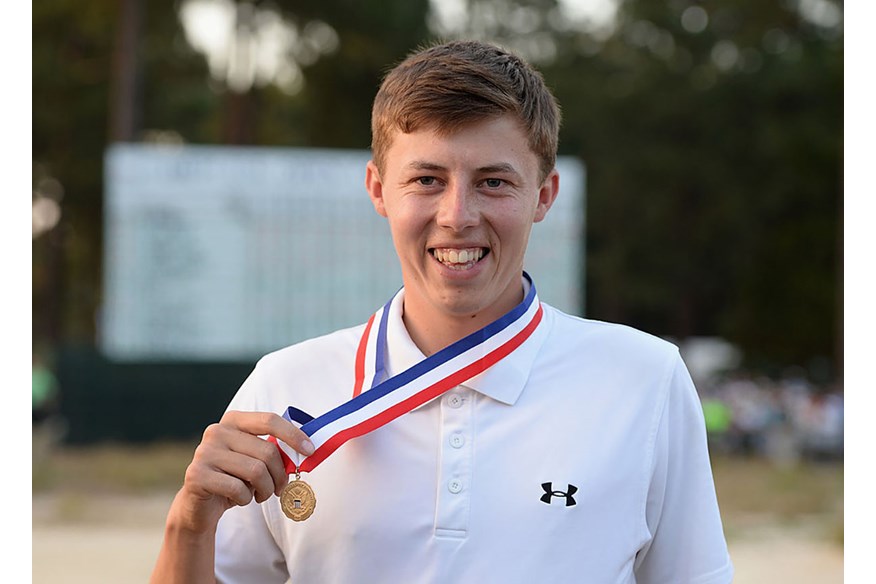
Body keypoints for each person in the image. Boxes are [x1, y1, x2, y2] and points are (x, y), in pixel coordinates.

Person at [151, 40, 734, 583]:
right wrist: (190, 523)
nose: (458, 215)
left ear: (544, 195)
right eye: (427, 179)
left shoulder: (645, 381)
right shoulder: (283, 386)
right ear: (379, 190)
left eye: (494, 182)